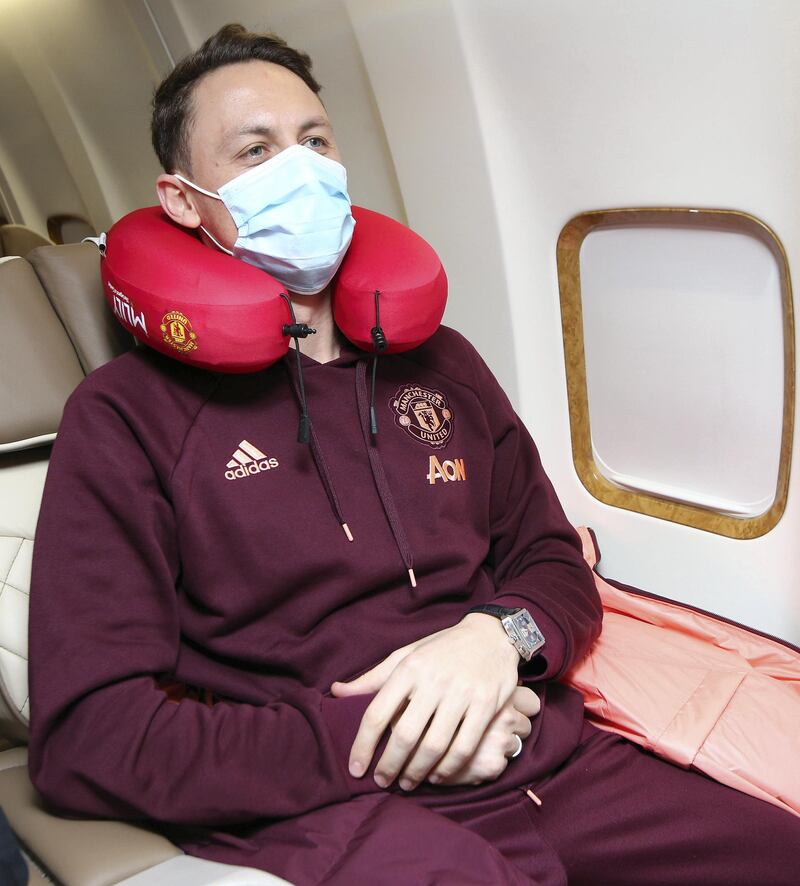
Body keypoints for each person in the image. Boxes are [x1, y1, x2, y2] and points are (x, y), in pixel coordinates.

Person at [27, 24, 800, 885]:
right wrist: (394, 736)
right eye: (257, 150)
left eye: (315, 141)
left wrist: (493, 639)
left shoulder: (444, 363)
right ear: (182, 201)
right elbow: (86, 737)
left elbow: (551, 561)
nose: (304, 168)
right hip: (337, 805)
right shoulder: (123, 420)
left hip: (541, 751)